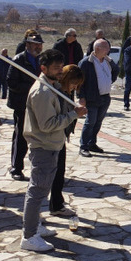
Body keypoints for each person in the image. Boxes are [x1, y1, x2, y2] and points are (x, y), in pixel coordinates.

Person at [20, 49, 87, 252]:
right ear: (43, 68)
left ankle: (36, 225)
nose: (60, 72)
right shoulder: (42, 92)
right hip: (43, 146)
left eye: (61, 67)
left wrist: (71, 108)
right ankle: (29, 236)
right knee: (37, 190)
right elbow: (47, 124)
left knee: (41, 190)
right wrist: (73, 115)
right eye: (56, 68)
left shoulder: (53, 87)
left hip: (52, 145)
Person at [7, 32, 44, 181]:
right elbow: (11, 83)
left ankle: (39, 168)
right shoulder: (18, 60)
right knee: (20, 137)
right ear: (27, 45)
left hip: (38, 105)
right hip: (22, 105)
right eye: (35, 44)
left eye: (40, 44)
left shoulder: (42, 61)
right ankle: (16, 167)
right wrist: (32, 86)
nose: (38, 47)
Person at [49, 65, 84, 216]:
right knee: (51, 174)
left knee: (60, 171)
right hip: (50, 138)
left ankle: (57, 203)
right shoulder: (54, 92)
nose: (75, 88)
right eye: (74, 84)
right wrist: (74, 114)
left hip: (61, 136)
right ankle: (52, 205)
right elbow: (55, 118)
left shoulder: (66, 93)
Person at [77, 39, 119, 157]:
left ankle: (92, 143)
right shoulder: (86, 62)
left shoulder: (107, 61)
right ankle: (83, 146)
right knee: (90, 122)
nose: (108, 50)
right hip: (92, 98)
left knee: (98, 122)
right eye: (105, 48)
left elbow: (116, 70)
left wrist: (109, 81)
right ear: (97, 49)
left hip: (105, 97)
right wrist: (81, 96)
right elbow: (80, 81)